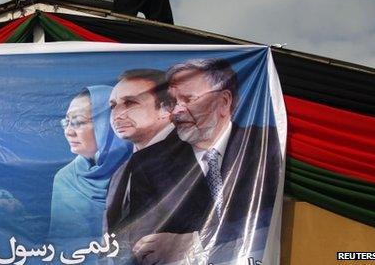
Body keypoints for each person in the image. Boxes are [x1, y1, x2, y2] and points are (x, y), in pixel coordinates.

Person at [131, 59, 282, 264]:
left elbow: (274, 217)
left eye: (187, 99)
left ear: (224, 101)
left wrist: (195, 243)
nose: (176, 111)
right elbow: (145, 244)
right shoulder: (147, 164)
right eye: (173, 102)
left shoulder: (267, 146)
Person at [104, 69, 190, 258]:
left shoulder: (198, 154)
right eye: (113, 106)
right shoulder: (119, 172)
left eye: (130, 103)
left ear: (166, 108)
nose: (117, 115)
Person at [49, 86, 132, 242]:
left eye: (78, 122)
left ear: (108, 124)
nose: (68, 131)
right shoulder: (66, 178)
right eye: (66, 122)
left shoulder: (141, 167)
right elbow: (62, 244)